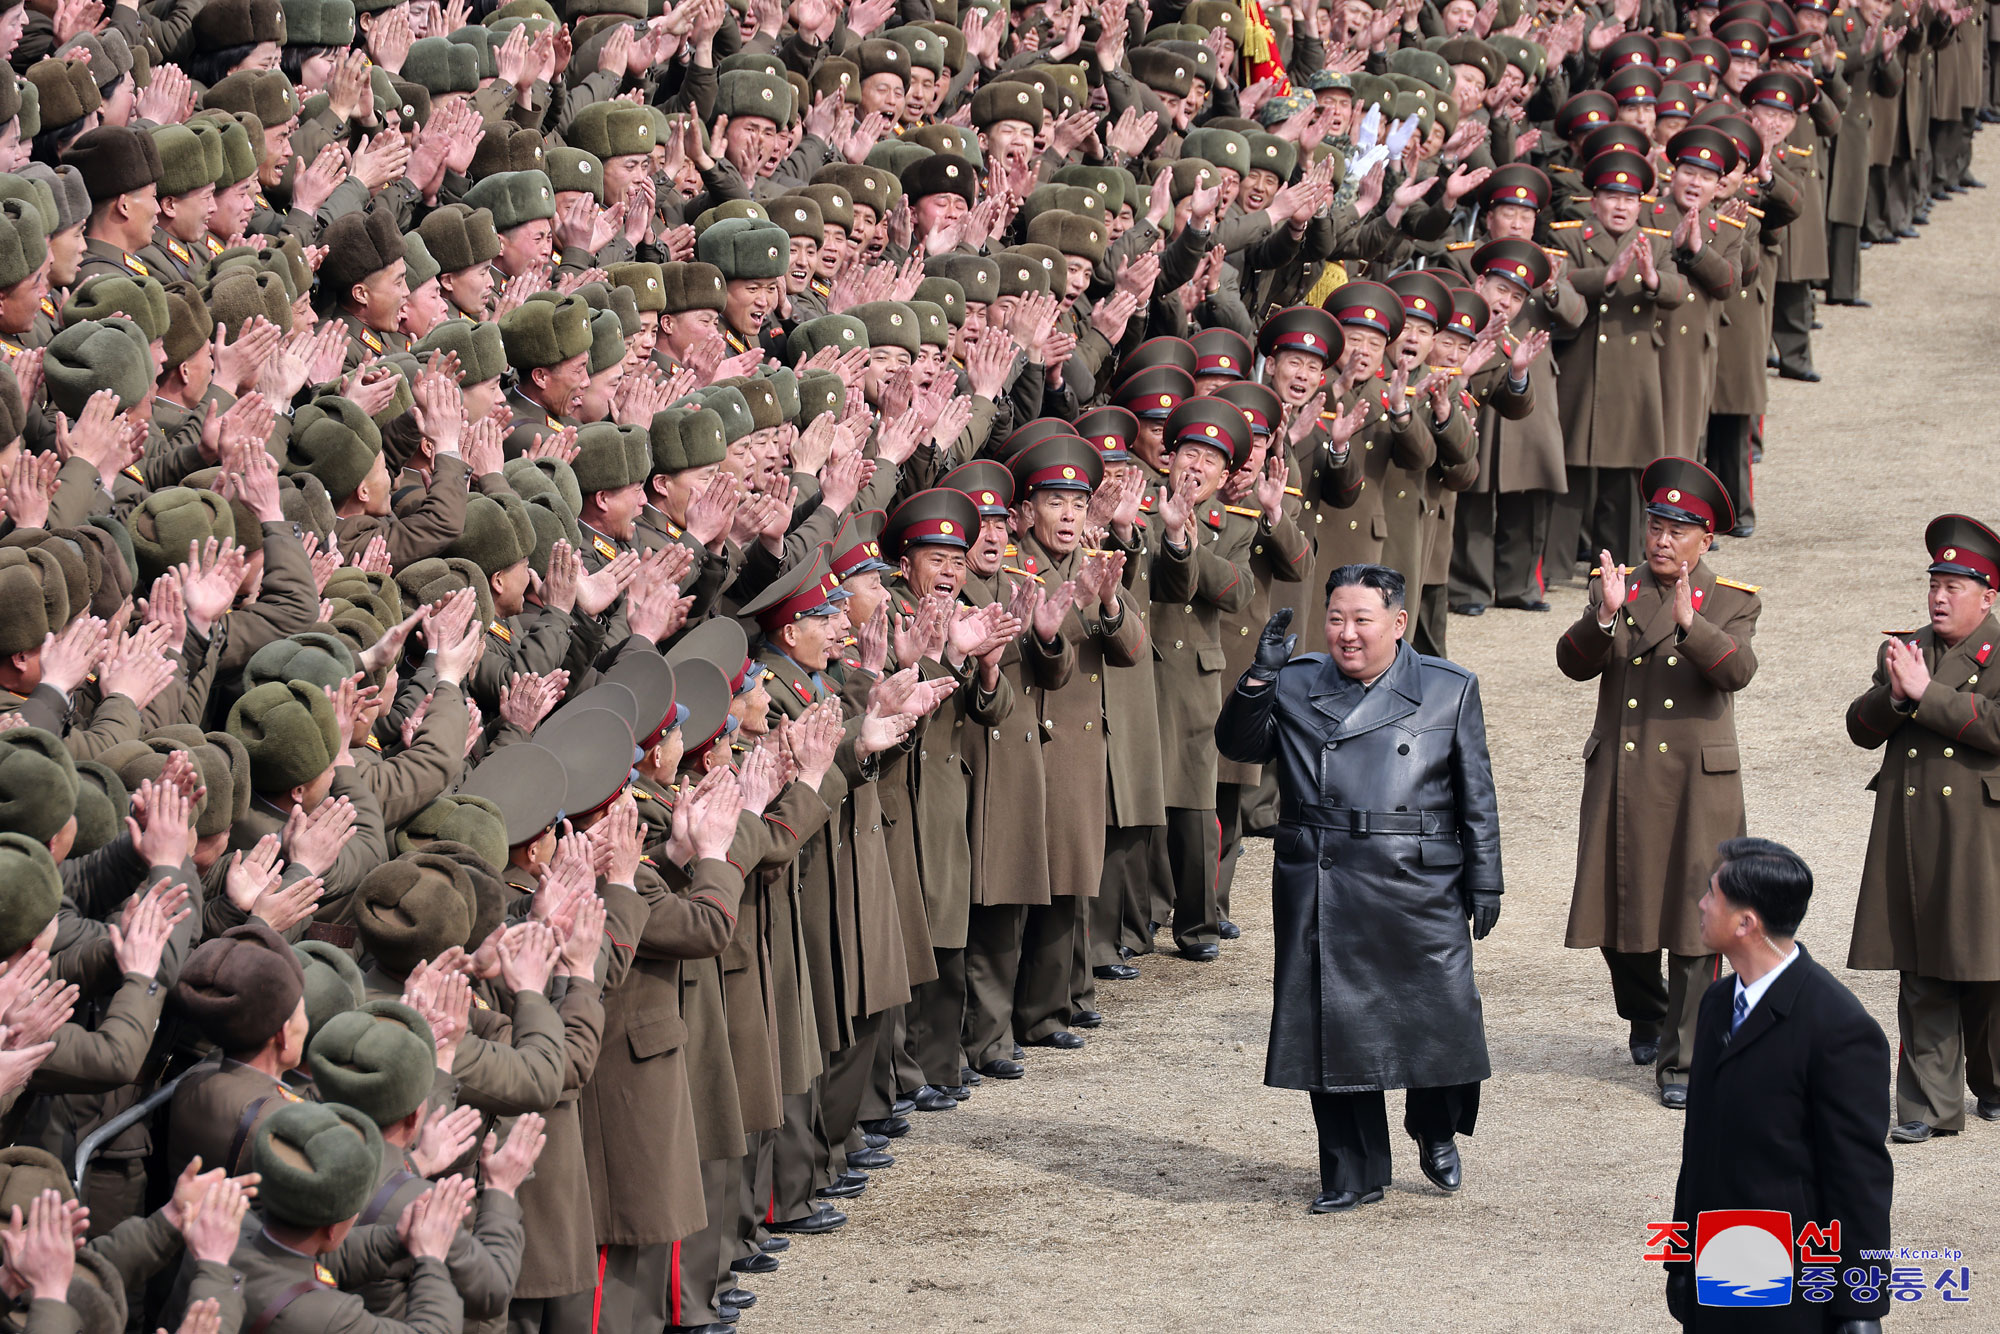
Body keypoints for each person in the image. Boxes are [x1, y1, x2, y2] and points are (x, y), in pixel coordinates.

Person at [1216, 563, 1501, 1213]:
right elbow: (1237, 744)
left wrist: (1486, 879)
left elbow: (1476, 795)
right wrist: (1259, 676)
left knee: (1441, 1016)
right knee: (1333, 1028)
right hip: (1324, 873)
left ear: (1398, 624)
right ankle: (1352, 1172)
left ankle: (1435, 1126)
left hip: (1418, 877)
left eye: (1362, 620)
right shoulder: (1294, 684)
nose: (1346, 634)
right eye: (1336, 619)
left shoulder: (1447, 689)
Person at [1558, 457, 1762, 1108]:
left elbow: (1737, 672)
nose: (1663, 539)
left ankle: (1685, 1059)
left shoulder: (1731, 598)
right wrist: (1603, 618)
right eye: (1656, 525)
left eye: (1679, 530)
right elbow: (1571, 663)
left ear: (1707, 540)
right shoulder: (1614, 585)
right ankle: (1647, 1010)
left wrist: (1692, 626)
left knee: (1695, 924)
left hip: (1697, 788)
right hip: (1623, 774)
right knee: (1619, 920)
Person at [1666, 838, 1892, 1334]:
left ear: (1746, 923)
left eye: (1712, 895)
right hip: (1716, 1258)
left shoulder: (1839, 1027)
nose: (1702, 905)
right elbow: (1700, 1146)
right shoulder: (1716, 1002)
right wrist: (1681, 1258)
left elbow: (1858, 1179)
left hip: (1788, 1275)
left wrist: (1861, 1305)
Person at [1846, 514, 2000, 1142]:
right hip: (1911, 833)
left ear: (1987, 597)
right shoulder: (1905, 647)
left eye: (1954, 587)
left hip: (1979, 839)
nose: (1938, 596)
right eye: (1935, 583)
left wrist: (1926, 694)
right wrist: (1897, 695)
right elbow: (1860, 726)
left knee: (1985, 973)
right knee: (1924, 967)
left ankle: (1992, 1082)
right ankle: (1926, 1108)